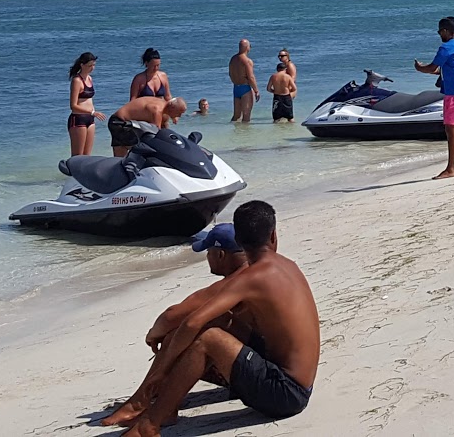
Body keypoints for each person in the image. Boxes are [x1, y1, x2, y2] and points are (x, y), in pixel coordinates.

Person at [100, 201, 319, 435]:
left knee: (208, 339)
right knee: (215, 322)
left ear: (241, 241)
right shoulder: (286, 265)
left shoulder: (253, 277)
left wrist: (161, 371)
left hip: (286, 394)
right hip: (288, 380)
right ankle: (164, 406)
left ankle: (149, 425)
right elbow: (196, 320)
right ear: (273, 236)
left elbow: (192, 321)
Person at [101, 224, 251, 428]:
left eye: (208, 251)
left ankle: (142, 401)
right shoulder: (252, 272)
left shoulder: (236, 282)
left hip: (259, 374)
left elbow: (171, 316)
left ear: (221, 255)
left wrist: (153, 336)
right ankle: (153, 401)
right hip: (256, 362)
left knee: (187, 330)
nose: (207, 257)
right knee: (196, 327)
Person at [414, 16, 454, 179]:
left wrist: (420, 68)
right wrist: (431, 69)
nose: (439, 34)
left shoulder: (445, 48)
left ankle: (450, 169)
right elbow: (450, 69)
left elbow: (433, 67)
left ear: (446, 31)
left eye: (440, 31)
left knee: (451, 131)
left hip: (453, 94)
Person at [108, 95, 188, 157]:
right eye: (179, 113)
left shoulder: (164, 108)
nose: (179, 116)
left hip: (126, 123)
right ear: (172, 107)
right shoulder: (157, 110)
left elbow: (165, 131)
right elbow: (156, 133)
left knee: (124, 154)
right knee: (136, 152)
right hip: (120, 122)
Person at [67, 52, 105, 156]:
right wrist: (92, 112)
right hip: (78, 119)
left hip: (90, 119)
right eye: (89, 66)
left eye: (93, 65)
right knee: (78, 155)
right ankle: (73, 172)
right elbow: (73, 106)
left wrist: (92, 113)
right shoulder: (77, 80)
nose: (92, 68)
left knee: (87, 155)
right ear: (82, 65)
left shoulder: (90, 79)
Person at [229, 39, 259, 123]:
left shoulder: (233, 59)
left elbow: (230, 74)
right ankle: (246, 135)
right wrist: (256, 90)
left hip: (236, 87)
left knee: (236, 115)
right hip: (245, 88)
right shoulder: (247, 61)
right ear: (247, 48)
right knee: (246, 116)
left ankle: (234, 132)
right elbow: (251, 77)